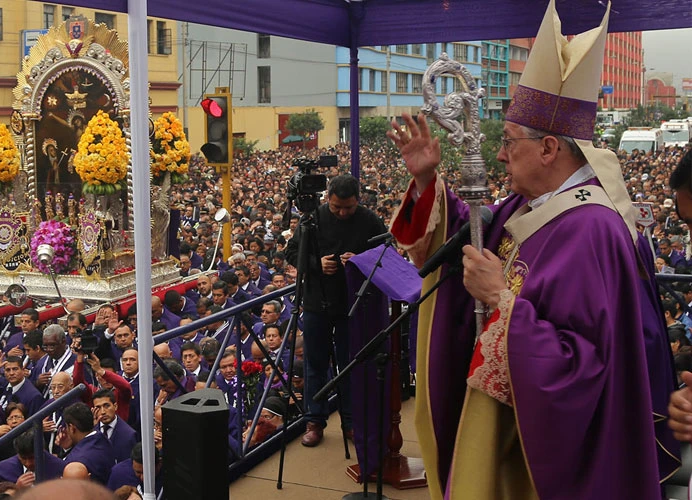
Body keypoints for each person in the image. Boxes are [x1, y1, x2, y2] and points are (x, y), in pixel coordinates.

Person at [387, 2, 676, 497]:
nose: (500, 154)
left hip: (538, 456)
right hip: (502, 425)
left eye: (509, 141)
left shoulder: (593, 230)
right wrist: (426, 179)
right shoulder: (529, 204)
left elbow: (583, 368)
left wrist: (502, 302)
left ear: (548, 149)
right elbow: (474, 234)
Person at [284, 173, 386, 447]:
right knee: (314, 364)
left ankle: (351, 422)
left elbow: (387, 252)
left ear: (358, 201)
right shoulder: (313, 218)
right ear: (327, 199)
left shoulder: (368, 220)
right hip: (317, 302)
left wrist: (361, 261)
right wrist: (317, 264)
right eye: (336, 207)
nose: (342, 213)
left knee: (349, 364)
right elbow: (292, 253)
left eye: (348, 208)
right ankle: (314, 420)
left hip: (351, 304)